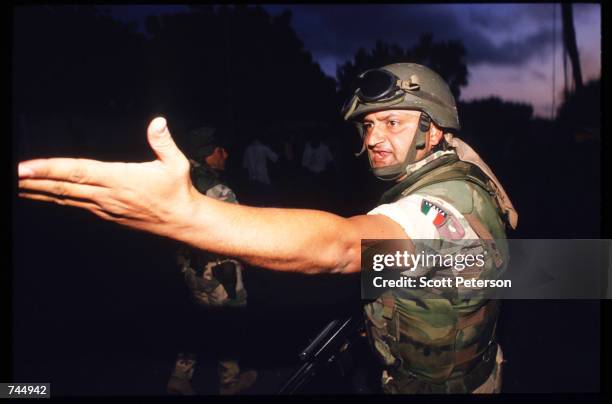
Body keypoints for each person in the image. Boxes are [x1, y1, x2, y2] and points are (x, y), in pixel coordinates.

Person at [18, 63, 517, 394]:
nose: (374, 138)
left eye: (393, 123)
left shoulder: (445, 200)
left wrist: (190, 216)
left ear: (433, 130)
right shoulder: (451, 171)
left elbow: (343, 246)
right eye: (368, 125)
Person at [166, 126, 257, 395]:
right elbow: (239, 229)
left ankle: (180, 376)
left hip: (189, 266)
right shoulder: (215, 188)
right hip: (219, 270)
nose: (226, 154)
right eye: (220, 150)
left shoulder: (181, 180)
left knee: (199, 319)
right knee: (229, 321)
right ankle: (229, 382)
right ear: (208, 154)